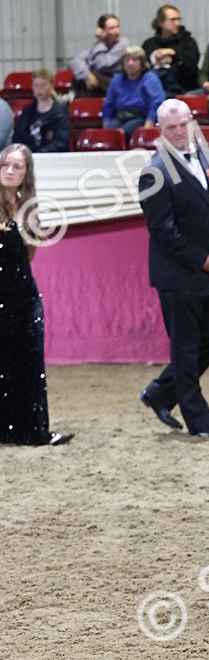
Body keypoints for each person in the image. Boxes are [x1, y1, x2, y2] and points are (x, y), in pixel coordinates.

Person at [138, 99, 209, 438]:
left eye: (183, 125)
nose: (178, 132)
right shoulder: (155, 172)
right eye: (171, 128)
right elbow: (162, 230)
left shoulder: (204, 157)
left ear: (192, 123)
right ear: (160, 131)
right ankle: (200, 423)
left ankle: (161, 392)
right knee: (186, 348)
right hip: (179, 275)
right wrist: (200, 259)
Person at [0, 144, 72, 446]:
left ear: (26, 173)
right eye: (5, 164)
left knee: (29, 362)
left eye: (17, 166)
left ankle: (32, 429)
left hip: (25, 296)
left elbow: (28, 257)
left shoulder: (30, 208)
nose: (10, 171)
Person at [102, 45, 165, 142]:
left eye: (134, 60)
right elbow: (108, 104)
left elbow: (157, 103)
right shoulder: (117, 80)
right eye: (127, 60)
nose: (130, 63)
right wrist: (106, 122)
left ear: (142, 63)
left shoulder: (150, 78)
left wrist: (149, 124)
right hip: (120, 117)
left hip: (140, 118)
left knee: (124, 132)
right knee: (109, 133)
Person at [142, 5, 200, 95]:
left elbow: (191, 70)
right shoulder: (149, 44)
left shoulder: (188, 42)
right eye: (173, 20)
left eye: (178, 19)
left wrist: (174, 56)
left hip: (181, 89)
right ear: (161, 22)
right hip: (153, 89)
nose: (177, 23)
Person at [13, 70, 70, 153]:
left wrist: (40, 153)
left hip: (52, 156)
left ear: (51, 86)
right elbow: (18, 137)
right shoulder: (27, 111)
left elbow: (62, 141)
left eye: (43, 85)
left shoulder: (60, 112)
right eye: (36, 85)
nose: (39, 89)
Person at [70, 14, 129, 95]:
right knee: (83, 77)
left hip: (117, 81)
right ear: (102, 31)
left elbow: (101, 64)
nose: (116, 31)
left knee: (87, 77)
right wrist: (87, 75)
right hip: (100, 83)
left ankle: (84, 104)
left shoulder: (123, 44)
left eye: (117, 26)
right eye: (112, 28)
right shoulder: (99, 45)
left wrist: (100, 42)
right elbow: (76, 61)